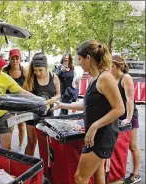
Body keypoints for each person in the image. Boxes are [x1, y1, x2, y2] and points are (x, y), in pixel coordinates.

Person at [54, 40, 124, 184]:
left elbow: (119, 109)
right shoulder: (94, 79)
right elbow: (87, 105)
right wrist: (62, 105)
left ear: (88, 58)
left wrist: (94, 126)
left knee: (80, 178)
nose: (79, 63)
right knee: (98, 177)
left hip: (102, 135)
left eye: (80, 59)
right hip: (95, 134)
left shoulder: (105, 77)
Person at [23, 52, 61, 156]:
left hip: (48, 116)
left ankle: (45, 169)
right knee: (32, 142)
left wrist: (53, 99)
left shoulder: (54, 77)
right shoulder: (30, 78)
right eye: (35, 70)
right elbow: (24, 95)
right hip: (32, 116)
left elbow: (58, 94)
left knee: (46, 144)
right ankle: (27, 166)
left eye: (40, 70)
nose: (38, 73)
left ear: (46, 67)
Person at [111, 55, 141, 184]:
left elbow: (130, 100)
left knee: (132, 146)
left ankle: (135, 174)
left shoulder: (126, 77)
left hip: (129, 115)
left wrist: (128, 118)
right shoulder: (112, 78)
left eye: (111, 66)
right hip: (118, 115)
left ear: (118, 66)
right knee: (118, 145)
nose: (108, 68)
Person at [3, 49, 28, 152]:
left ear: (20, 59)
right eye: (12, 58)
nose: (15, 61)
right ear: (9, 59)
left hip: (22, 102)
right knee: (11, 125)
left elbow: (28, 86)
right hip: (9, 102)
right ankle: (8, 148)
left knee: (22, 125)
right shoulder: (5, 71)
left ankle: (20, 147)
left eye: (17, 58)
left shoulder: (24, 71)